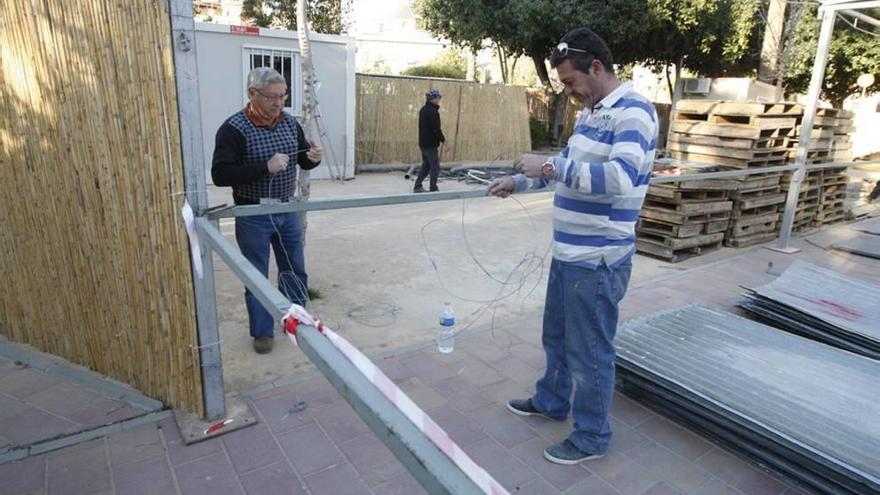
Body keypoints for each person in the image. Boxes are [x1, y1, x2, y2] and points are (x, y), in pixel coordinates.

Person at [488, 28, 658, 464]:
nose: (568, 91)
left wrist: (548, 164)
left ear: (596, 68)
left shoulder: (634, 112)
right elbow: (566, 170)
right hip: (570, 254)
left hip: (598, 259)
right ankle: (552, 400)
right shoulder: (593, 114)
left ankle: (591, 436)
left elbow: (619, 178)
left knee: (590, 351)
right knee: (558, 337)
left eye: (570, 82)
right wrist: (520, 180)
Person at [212, 67, 324, 355]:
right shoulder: (233, 129)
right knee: (256, 275)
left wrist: (313, 158)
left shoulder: (289, 123)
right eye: (272, 97)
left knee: (294, 268)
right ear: (252, 94)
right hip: (252, 213)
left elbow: (302, 160)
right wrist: (264, 167)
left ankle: (297, 321)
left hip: (286, 208)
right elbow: (221, 174)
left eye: (283, 96)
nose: (278, 103)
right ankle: (262, 332)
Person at [414, 89, 446, 193]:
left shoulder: (423, 109)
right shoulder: (433, 112)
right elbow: (436, 129)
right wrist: (444, 141)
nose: (439, 99)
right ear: (433, 99)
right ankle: (433, 188)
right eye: (438, 97)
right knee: (435, 167)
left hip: (423, 143)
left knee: (426, 166)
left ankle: (417, 186)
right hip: (430, 144)